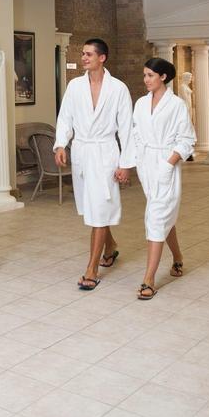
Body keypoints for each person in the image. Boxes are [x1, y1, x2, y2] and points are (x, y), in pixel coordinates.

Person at [54, 38, 132, 290]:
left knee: (99, 208)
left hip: (106, 153)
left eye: (88, 54)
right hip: (82, 152)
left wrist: (126, 164)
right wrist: (60, 144)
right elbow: (65, 117)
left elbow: (127, 129)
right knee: (93, 207)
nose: (84, 58)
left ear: (102, 58)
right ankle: (110, 246)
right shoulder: (75, 86)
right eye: (83, 54)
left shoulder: (118, 89)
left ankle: (91, 269)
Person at [116, 58, 195, 300]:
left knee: (156, 216)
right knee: (161, 215)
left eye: (150, 75)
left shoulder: (177, 105)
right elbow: (134, 135)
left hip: (165, 164)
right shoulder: (140, 103)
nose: (146, 80)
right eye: (144, 75)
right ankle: (178, 258)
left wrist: (167, 164)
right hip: (146, 164)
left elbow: (187, 139)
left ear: (163, 77)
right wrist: (130, 163)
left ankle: (149, 279)